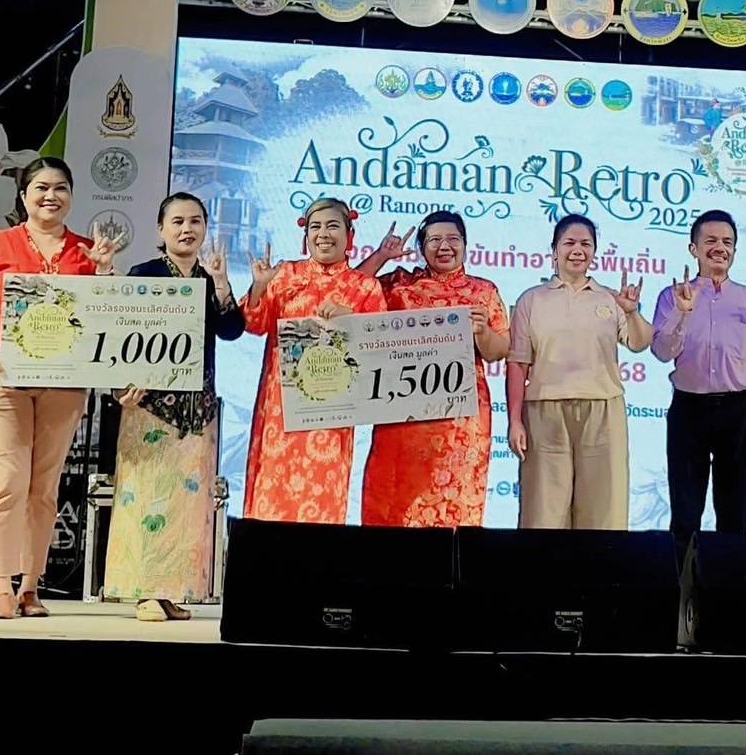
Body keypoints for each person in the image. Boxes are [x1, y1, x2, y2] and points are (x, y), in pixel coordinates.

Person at [0, 157, 119, 619]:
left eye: (61, 187)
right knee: (9, 482)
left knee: (44, 487)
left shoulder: (87, 251)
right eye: (41, 187)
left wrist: (104, 272)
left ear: (72, 196)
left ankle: (31, 586)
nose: (51, 196)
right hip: (5, 378)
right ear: (24, 195)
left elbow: (105, 315)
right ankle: (2, 585)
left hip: (64, 384)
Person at [103, 193, 245, 621]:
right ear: (161, 230)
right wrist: (120, 386)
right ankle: (143, 591)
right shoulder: (144, 274)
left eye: (196, 221)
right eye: (178, 221)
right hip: (150, 405)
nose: (187, 229)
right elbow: (118, 331)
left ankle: (170, 590)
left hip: (197, 409)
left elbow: (232, 330)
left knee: (186, 505)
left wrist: (222, 284)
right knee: (146, 497)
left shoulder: (208, 276)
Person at [356, 212, 509, 527]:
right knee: (393, 510)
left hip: (460, 425)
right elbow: (349, 291)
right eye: (434, 240)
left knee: (454, 516)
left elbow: (498, 351)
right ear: (421, 247)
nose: (444, 246)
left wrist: (482, 332)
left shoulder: (483, 292)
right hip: (402, 419)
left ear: (465, 244)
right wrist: (382, 256)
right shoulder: (399, 285)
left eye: (453, 239)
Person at [241, 198, 384, 523]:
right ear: (306, 236)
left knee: (324, 507)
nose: (323, 234)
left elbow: (380, 351)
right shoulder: (284, 275)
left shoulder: (365, 287)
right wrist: (259, 287)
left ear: (349, 235)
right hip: (279, 415)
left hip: (332, 418)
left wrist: (352, 320)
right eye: (315, 227)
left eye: (333, 226)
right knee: (270, 505)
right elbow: (253, 323)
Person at [507, 215, 652, 529]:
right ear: (554, 250)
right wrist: (515, 420)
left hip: (603, 411)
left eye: (586, 244)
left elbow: (640, 342)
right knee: (543, 513)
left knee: (603, 512)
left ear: (594, 253)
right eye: (569, 243)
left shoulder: (611, 298)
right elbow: (517, 363)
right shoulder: (531, 300)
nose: (577, 250)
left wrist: (631, 312)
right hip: (544, 412)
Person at [650, 210, 746, 559]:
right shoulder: (672, 296)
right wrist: (683, 313)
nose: (720, 248)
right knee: (685, 513)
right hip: (689, 408)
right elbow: (661, 351)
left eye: (727, 242)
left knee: (734, 513)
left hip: (738, 410)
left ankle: (730, 588)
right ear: (694, 248)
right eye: (711, 241)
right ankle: (681, 588)